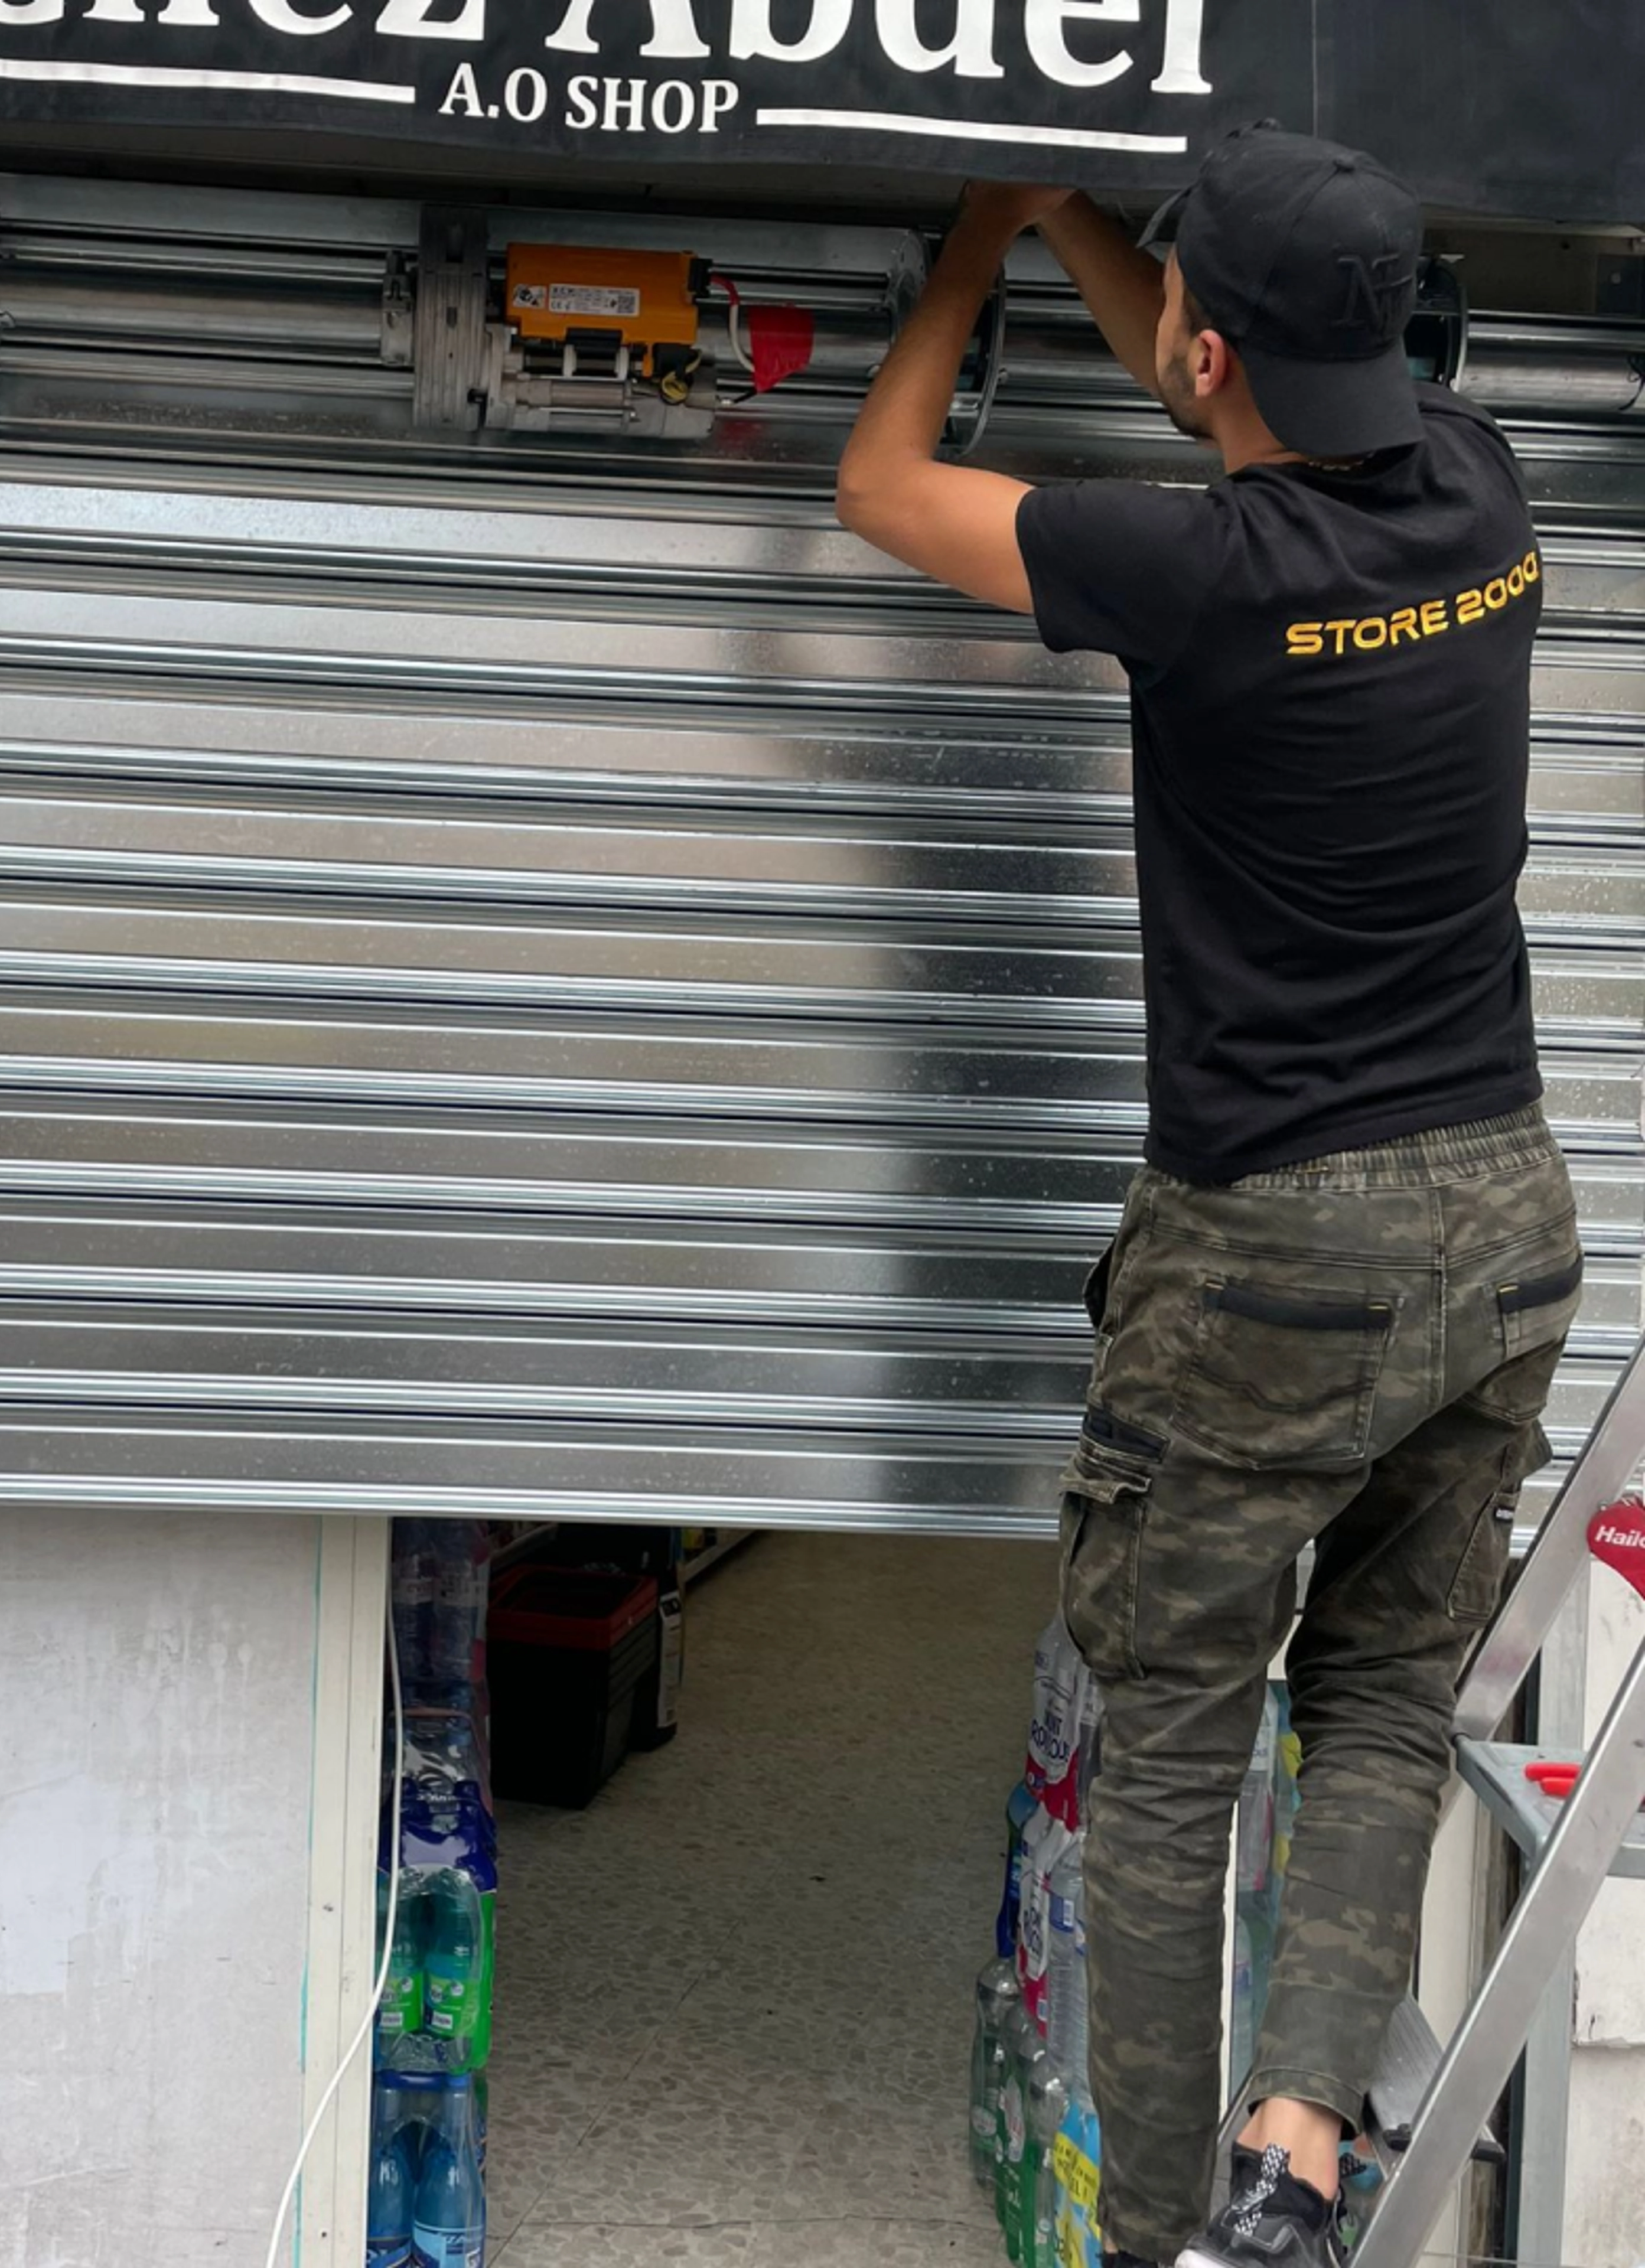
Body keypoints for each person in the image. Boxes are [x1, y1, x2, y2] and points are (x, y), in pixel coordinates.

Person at [836, 125, 1584, 2268]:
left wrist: (976, 248)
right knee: (1374, 1700)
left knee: (1172, 1740)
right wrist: (1126, 251)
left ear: (1207, 343)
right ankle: (1297, 2154)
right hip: (1507, 1219)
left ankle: (1159, 2230)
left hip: (1276, 1252)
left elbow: (884, 494)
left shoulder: (1200, 568)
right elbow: (1235, 374)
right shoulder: (1482, 487)